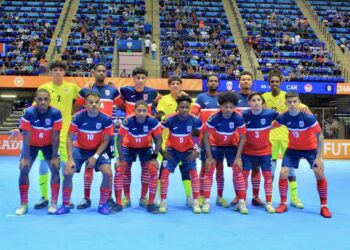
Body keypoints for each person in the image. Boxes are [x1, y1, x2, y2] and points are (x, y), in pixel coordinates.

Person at [10, 61, 80, 209]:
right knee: (43, 166)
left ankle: (65, 200)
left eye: (61, 69)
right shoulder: (44, 88)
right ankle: (44, 197)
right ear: (51, 72)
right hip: (46, 135)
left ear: (64, 72)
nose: (58, 72)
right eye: (55, 69)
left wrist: (72, 110)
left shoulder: (72, 87)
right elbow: (33, 109)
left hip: (64, 134)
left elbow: (83, 100)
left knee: (65, 168)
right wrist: (20, 129)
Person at [272, 91, 331, 218]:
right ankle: (283, 203)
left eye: (294, 101)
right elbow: (270, 127)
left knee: (319, 172)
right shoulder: (283, 117)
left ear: (299, 102)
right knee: (283, 172)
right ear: (286, 103)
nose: (292, 104)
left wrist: (319, 157)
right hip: (292, 149)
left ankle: (324, 206)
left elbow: (319, 136)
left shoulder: (307, 116)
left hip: (310, 149)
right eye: (289, 102)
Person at [74, 63, 124, 210]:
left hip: (106, 136)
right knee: (88, 168)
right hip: (89, 134)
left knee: (108, 169)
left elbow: (123, 106)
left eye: (103, 71)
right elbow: (76, 108)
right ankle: (86, 198)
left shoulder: (112, 90)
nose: (101, 73)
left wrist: (119, 90)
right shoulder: (86, 90)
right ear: (93, 73)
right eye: (98, 71)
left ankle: (108, 198)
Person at [56, 92, 114, 215]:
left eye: (97, 102)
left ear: (100, 104)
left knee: (108, 172)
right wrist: (70, 159)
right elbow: (69, 138)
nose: (94, 105)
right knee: (68, 172)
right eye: (91, 102)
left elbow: (106, 140)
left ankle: (102, 204)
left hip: (97, 149)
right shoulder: (77, 117)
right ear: (85, 104)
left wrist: (95, 156)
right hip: (79, 149)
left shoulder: (106, 119)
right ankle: (65, 205)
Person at [118, 67, 161, 207]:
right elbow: (111, 91)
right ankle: (127, 197)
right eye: (138, 77)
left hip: (145, 140)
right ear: (133, 78)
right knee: (125, 169)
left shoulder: (152, 92)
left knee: (146, 170)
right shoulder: (125, 90)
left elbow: (162, 100)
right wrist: (90, 84)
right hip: (128, 138)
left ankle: (143, 197)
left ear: (146, 78)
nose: (140, 80)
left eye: (143, 78)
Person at [262, 70, 304, 209]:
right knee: (271, 171)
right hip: (270, 138)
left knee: (290, 170)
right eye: (272, 81)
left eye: (277, 81)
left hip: (287, 138)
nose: (274, 84)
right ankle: (270, 199)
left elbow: (300, 107)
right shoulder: (264, 97)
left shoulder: (286, 97)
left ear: (281, 82)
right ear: (269, 83)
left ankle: (294, 197)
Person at [16, 89, 62, 215]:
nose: (43, 102)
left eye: (46, 99)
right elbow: (26, 136)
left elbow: (55, 136)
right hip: (31, 146)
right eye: (40, 99)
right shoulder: (29, 112)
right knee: (24, 169)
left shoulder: (56, 113)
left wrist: (54, 157)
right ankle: (24, 204)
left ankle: (53, 203)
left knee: (55, 168)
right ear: (35, 100)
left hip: (49, 145)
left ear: (50, 101)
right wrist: (25, 157)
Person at [202, 91, 247, 214]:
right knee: (211, 169)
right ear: (220, 106)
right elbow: (206, 136)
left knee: (238, 169)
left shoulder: (238, 117)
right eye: (225, 107)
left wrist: (238, 157)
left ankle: (242, 202)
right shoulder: (214, 117)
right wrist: (209, 157)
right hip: (215, 145)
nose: (228, 110)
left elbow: (243, 137)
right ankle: (207, 201)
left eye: (231, 107)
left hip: (231, 145)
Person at [115, 100, 162, 213]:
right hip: (128, 147)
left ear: (147, 111)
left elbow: (159, 139)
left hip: (145, 148)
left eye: (144, 111)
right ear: (134, 111)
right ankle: (124, 199)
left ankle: (147, 200)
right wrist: (121, 158)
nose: (141, 113)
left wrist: (155, 157)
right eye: (139, 110)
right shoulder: (128, 121)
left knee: (152, 169)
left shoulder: (152, 121)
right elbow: (119, 139)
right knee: (121, 169)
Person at [159, 95, 202, 213]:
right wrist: (161, 150)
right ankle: (163, 201)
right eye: (181, 107)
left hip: (188, 150)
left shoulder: (195, 120)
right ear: (177, 108)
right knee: (165, 173)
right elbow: (157, 133)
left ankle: (196, 201)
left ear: (189, 108)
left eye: (186, 107)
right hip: (171, 150)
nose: (184, 109)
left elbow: (198, 135)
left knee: (193, 173)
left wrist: (196, 149)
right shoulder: (169, 119)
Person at [191, 74, 229, 208]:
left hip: (221, 139)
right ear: (207, 83)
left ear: (218, 83)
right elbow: (193, 117)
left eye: (215, 81)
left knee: (220, 168)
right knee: (204, 167)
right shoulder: (201, 98)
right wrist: (195, 141)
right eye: (210, 81)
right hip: (205, 140)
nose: (213, 83)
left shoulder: (223, 98)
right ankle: (201, 196)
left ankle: (220, 196)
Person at [156, 76, 192, 207]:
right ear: (169, 86)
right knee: (164, 170)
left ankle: (189, 197)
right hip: (167, 142)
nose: (175, 86)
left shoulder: (188, 100)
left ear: (181, 85)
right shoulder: (164, 100)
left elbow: (193, 117)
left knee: (186, 169)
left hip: (185, 143)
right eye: (173, 84)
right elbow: (160, 114)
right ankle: (161, 198)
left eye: (178, 83)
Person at [241, 92, 279, 213]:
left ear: (262, 102)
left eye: (258, 100)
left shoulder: (270, 113)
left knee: (268, 176)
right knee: (244, 176)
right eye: (253, 100)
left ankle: (268, 203)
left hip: (265, 151)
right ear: (249, 103)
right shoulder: (243, 115)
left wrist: (303, 109)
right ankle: (242, 201)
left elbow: (286, 116)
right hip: (247, 151)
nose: (256, 102)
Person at [232, 71, 265, 207]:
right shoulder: (234, 97)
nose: (245, 81)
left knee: (256, 168)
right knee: (238, 168)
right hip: (237, 139)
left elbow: (265, 115)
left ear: (252, 82)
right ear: (239, 82)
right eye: (243, 79)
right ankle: (238, 196)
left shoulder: (257, 98)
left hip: (254, 139)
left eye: (248, 79)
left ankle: (255, 196)